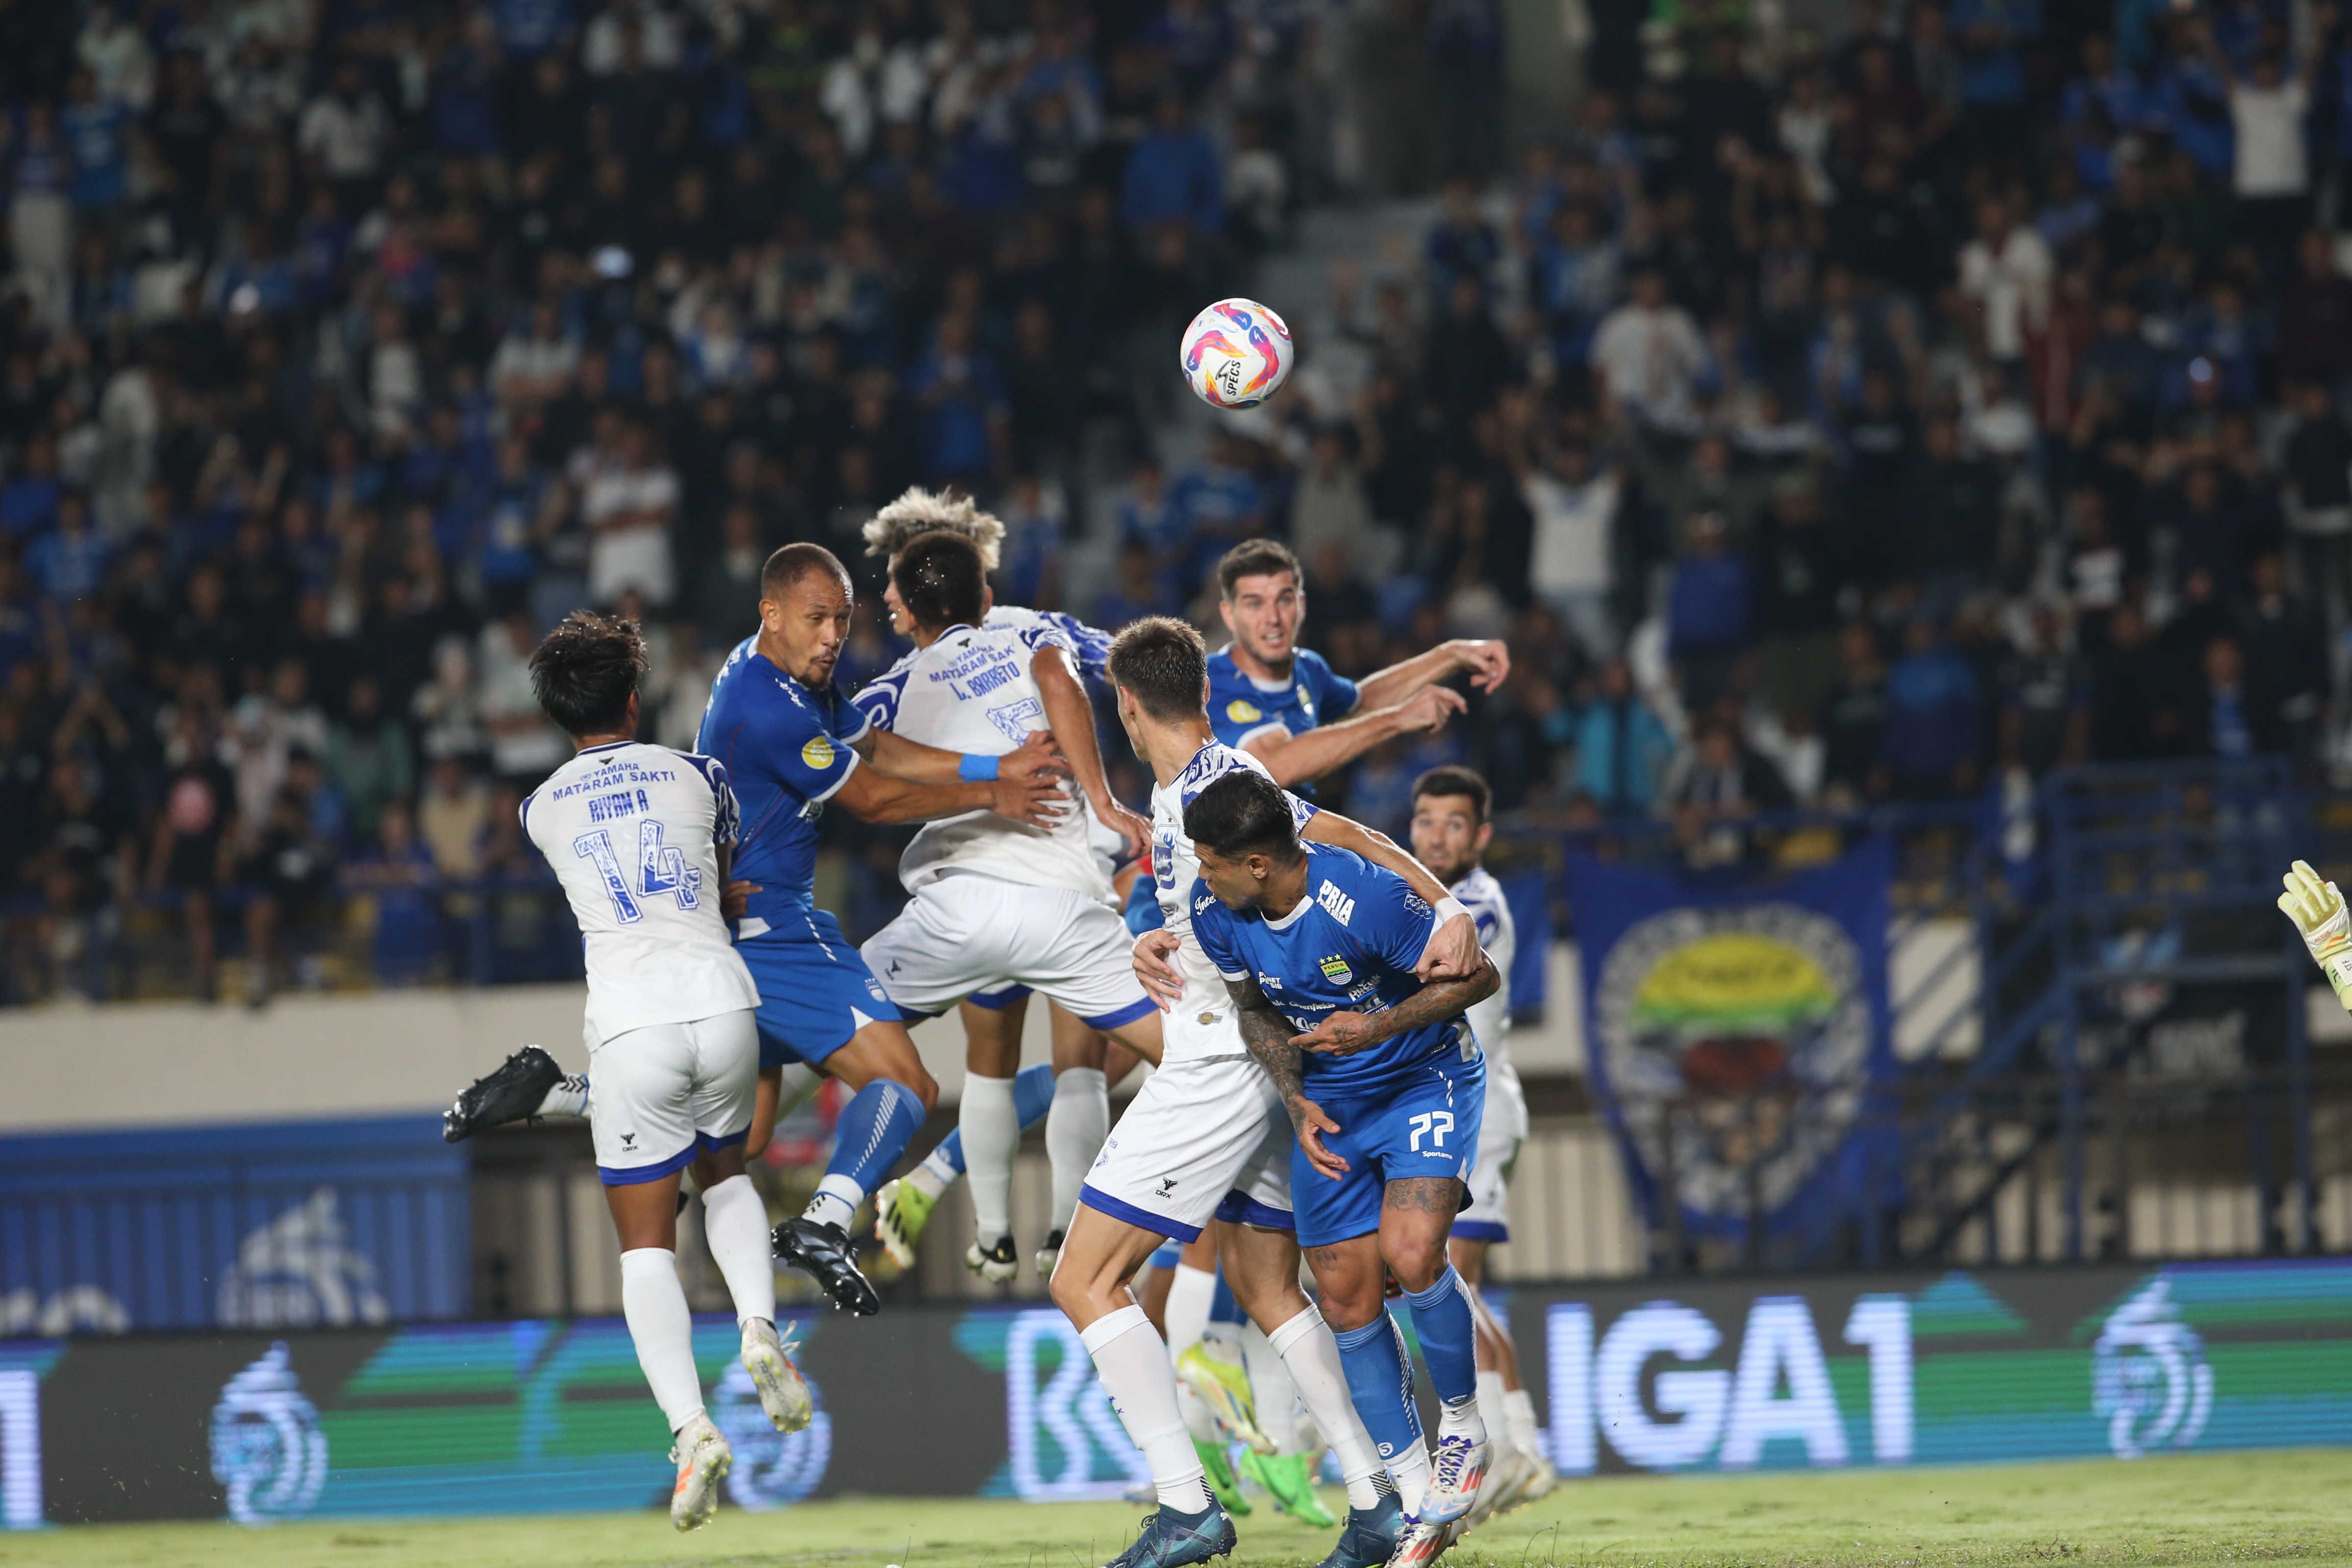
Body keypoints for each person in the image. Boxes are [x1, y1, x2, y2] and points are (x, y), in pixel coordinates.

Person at [442, 544, 1069, 1322]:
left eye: (843, 618)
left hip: (738, 925)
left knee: (739, 1144)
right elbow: (869, 798)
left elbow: (871, 743)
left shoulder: (778, 671)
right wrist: (995, 793)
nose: (834, 634)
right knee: (907, 1084)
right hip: (773, 928)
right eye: (817, 619)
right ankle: (825, 1222)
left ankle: (568, 1095)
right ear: (770, 613)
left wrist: (992, 761)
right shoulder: (766, 703)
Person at [1049, 616, 1483, 1568]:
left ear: (1124, 706)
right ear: (1199, 691)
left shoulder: (1212, 787)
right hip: (1270, 1060)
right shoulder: (1187, 790)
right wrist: (1159, 934)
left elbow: (1339, 832)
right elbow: (1209, 908)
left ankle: (1183, 1503)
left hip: (1219, 1058)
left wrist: (1445, 906)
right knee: (1260, 1280)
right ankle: (1388, 1499)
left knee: (1081, 1277)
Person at [511, 611, 813, 1532]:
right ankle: (760, 1327)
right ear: (636, 699)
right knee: (726, 1175)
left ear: (559, 714)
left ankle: (691, 1429)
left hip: (632, 1023)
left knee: (646, 1245)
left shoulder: (539, 807)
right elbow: (715, 873)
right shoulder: (700, 773)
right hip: (722, 999)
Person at [1184, 765, 1502, 1568]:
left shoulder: (1364, 898)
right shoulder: (1216, 910)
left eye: (1210, 861)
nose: (1200, 875)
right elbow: (1254, 1009)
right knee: (1344, 1295)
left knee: (1410, 1252)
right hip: (1329, 1104)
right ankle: (1412, 1487)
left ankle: (1464, 1426)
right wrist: (1295, 1098)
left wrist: (1378, 1027)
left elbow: (1480, 977)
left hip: (1421, 1076)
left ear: (1257, 864)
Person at [846, 529, 1164, 1282]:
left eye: (891, 586)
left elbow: (847, 768)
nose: (886, 598)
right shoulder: (1033, 628)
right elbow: (1114, 664)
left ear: (912, 603)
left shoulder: (889, 688)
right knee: (1086, 1062)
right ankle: (1067, 1232)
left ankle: (989, 1234)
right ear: (981, 591)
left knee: (983, 1061)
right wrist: (1108, 796)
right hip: (1066, 888)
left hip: (965, 895)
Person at [1405, 766, 1558, 1526]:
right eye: (1427, 820)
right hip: (1465, 1110)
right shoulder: (1431, 899)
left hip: (1477, 1114)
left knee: (1453, 1287)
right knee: (1463, 1290)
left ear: (1482, 837)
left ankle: (1501, 1453)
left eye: (1454, 824)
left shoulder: (1473, 909)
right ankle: (1523, 1449)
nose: (1437, 835)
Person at [1207, 538, 1507, 794]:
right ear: (1229, 615)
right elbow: (1274, 766)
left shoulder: (1309, 669)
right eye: (1255, 604)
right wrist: (1398, 719)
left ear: (1302, 605)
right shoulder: (1206, 684)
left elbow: (1363, 704)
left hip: (1290, 849)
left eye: (1284, 601)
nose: (1273, 618)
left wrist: (1450, 655)